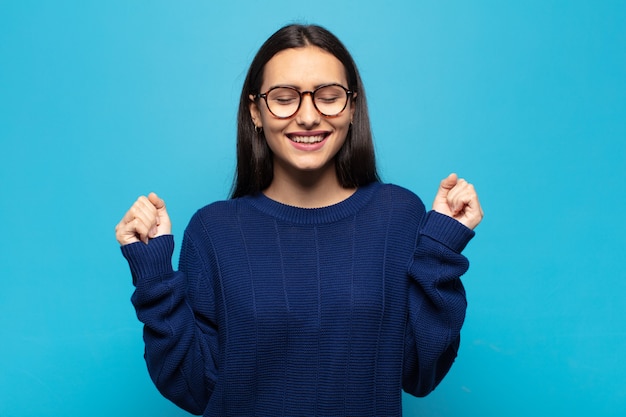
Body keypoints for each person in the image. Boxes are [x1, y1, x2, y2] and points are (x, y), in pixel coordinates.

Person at [115, 24, 483, 417]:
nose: (308, 117)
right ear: (256, 111)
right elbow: (195, 389)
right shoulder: (213, 231)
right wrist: (153, 276)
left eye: (328, 97)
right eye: (284, 98)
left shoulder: (399, 215)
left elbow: (420, 373)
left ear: (352, 107)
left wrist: (441, 247)